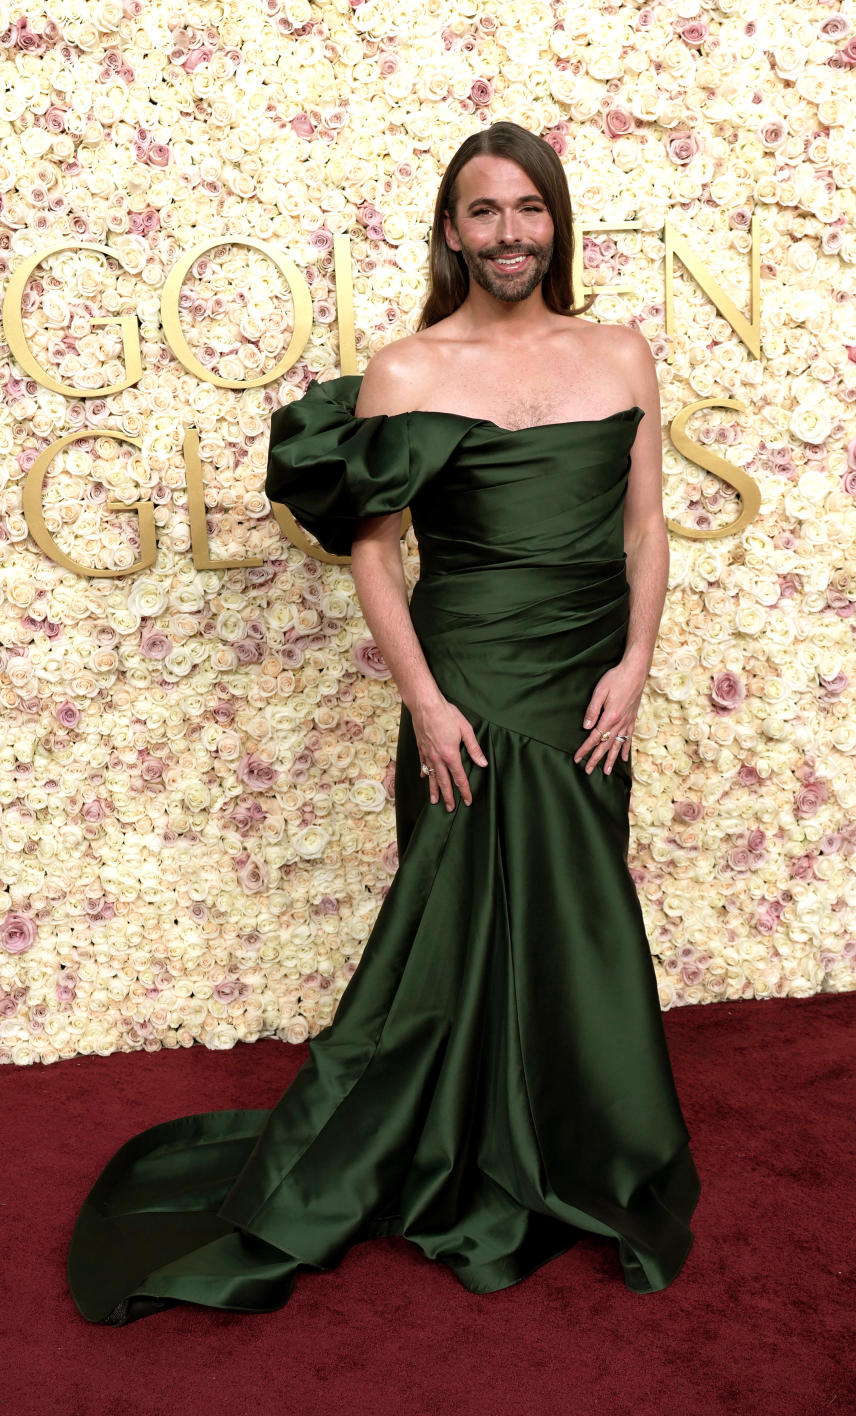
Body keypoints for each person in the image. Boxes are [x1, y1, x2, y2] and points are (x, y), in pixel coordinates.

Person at [67, 121, 701, 1326]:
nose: (508, 233)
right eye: (483, 212)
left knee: (576, 910)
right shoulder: (408, 371)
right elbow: (373, 550)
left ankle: (573, 1150)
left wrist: (637, 665)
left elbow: (647, 528)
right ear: (451, 229)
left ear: (555, 222)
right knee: (450, 921)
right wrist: (423, 698)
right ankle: (435, 1154)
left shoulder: (620, 352)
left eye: (528, 209)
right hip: (463, 669)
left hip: (585, 674)